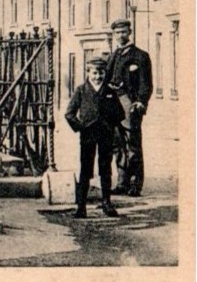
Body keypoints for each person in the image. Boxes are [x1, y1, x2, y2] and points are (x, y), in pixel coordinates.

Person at [65, 56, 124, 218]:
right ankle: (81, 206)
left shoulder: (110, 91)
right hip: (88, 136)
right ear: (88, 72)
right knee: (85, 169)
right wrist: (81, 127)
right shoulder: (81, 90)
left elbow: (120, 113)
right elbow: (69, 114)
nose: (98, 76)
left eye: (101, 73)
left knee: (105, 168)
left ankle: (107, 203)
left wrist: (110, 125)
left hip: (106, 135)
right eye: (95, 73)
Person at [106, 18, 153, 196]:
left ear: (130, 33)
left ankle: (135, 184)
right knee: (117, 144)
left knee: (133, 145)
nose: (120, 35)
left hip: (129, 103)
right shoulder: (114, 56)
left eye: (123, 32)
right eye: (117, 33)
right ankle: (122, 182)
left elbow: (146, 83)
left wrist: (141, 101)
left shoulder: (140, 56)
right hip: (114, 102)